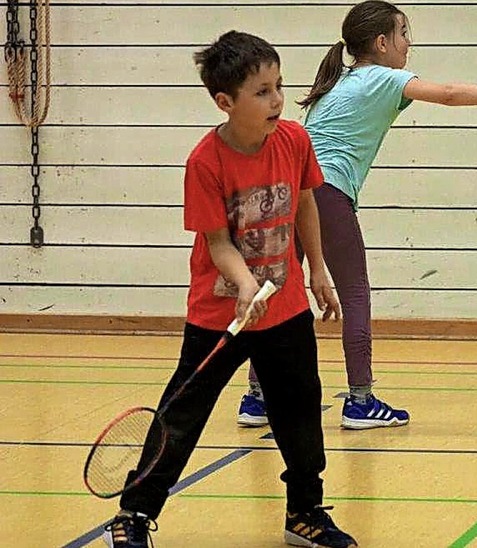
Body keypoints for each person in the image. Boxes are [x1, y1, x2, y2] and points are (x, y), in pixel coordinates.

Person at [103, 30, 357, 548]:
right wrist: (244, 282)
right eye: (262, 91)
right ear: (225, 102)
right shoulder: (205, 162)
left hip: (284, 310)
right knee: (182, 414)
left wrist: (319, 270)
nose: (277, 99)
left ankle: (305, 512)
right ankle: (133, 513)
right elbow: (218, 243)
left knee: (301, 411)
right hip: (221, 314)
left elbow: (306, 203)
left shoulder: (294, 140)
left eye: (279, 86)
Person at [238, 0, 477, 431]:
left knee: (281, 290)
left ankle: (257, 397)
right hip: (326, 193)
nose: (409, 43)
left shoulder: (342, 79)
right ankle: (360, 401)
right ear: (382, 43)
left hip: (289, 194)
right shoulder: (381, 76)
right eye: (404, 33)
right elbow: (450, 94)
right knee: (355, 291)